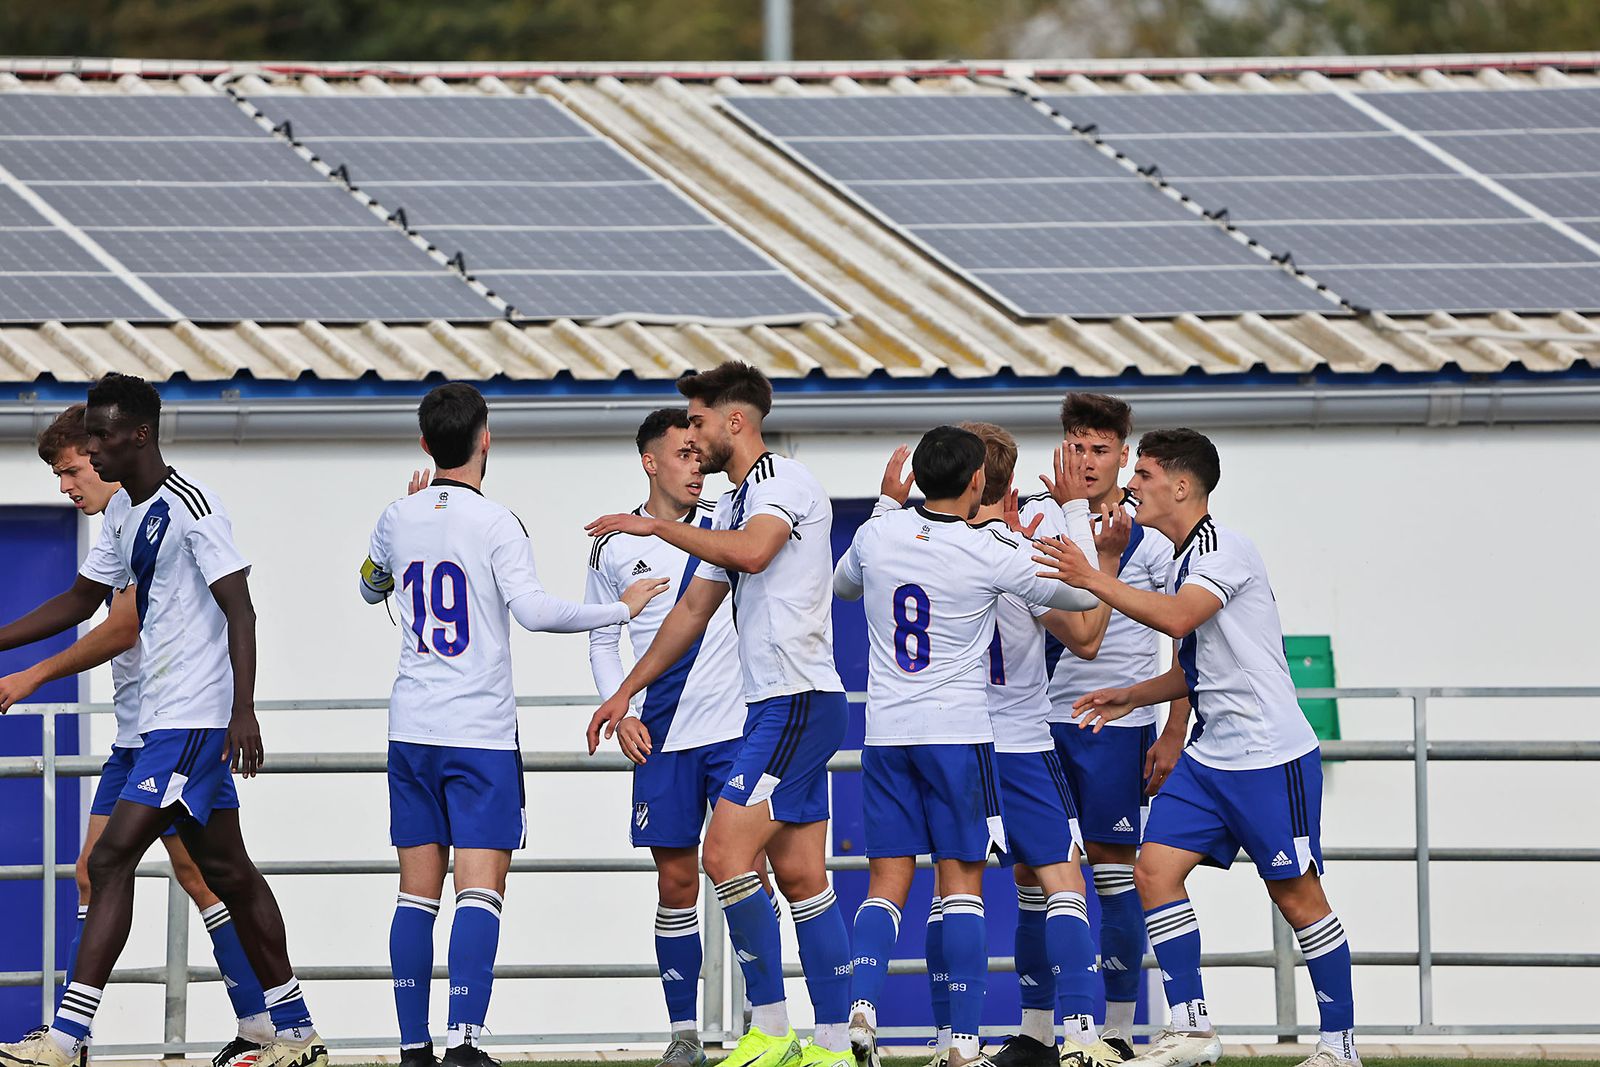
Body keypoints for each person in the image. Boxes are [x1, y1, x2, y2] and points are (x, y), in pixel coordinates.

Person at [0, 374, 323, 1067]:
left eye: (100, 439)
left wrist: (243, 710)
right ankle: (293, 1029)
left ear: (138, 434)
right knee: (228, 872)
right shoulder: (122, 516)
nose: (92, 451)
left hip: (193, 721)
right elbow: (82, 598)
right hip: (157, 725)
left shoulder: (193, 509)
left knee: (111, 858)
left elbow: (241, 608)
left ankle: (65, 1039)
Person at [360, 383, 667, 1067]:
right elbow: (533, 611)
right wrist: (620, 610)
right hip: (478, 731)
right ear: (485, 438)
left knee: (415, 892)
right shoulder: (498, 521)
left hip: (411, 727)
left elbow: (368, 584)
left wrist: (401, 527)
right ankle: (463, 1041)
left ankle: (413, 1049)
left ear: (424, 443)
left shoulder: (396, 515)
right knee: (479, 886)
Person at [1034, 429, 1357, 1067]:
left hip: (1270, 757)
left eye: (1145, 473)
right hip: (1213, 758)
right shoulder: (1183, 557)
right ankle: (1192, 1030)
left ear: (1182, 487)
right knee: (1151, 871)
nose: (1132, 484)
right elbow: (1201, 665)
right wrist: (1134, 693)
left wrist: (1091, 577)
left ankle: (1338, 1045)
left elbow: (1179, 619)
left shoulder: (1225, 549)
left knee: (1297, 897)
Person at [585, 362, 854, 1067]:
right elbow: (690, 613)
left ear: (735, 421)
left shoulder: (780, 483)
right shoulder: (734, 503)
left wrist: (656, 528)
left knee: (723, 855)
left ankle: (771, 1032)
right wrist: (624, 692)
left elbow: (756, 553)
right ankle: (834, 1044)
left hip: (795, 702)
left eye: (699, 421)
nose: (694, 436)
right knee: (800, 875)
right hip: (777, 706)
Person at [830, 425, 1103, 1067]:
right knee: (968, 886)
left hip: (887, 734)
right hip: (965, 734)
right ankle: (971, 1045)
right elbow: (1088, 600)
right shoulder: (997, 550)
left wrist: (885, 505)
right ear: (979, 480)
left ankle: (862, 1013)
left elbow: (843, 586)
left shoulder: (877, 533)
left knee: (885, 884)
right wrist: (1070, 516)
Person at [584, 408, 747, 1067]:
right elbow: (602, 636)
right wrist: (619, 710)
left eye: (699, 453)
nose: (696, 465)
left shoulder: (732, 525)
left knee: (745, 875)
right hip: (663, 732)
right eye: (683, 454)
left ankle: (767, 1024)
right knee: (676, 882)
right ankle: (685, 1032)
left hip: (737, 727)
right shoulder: (612, 544)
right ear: (651, 461)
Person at [1047, 395, 1189, 1039]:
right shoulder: (1039, 515)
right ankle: (1041, 1032)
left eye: (1100, 449)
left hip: (1118, 728)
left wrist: (1174, 727)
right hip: (1039, 721)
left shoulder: (1154, 533)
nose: (1087, 459)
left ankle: (1118, 1033)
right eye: (1076, 445)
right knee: (1038, 872)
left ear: (1123, 457)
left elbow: (1189, 639)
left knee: (1114, 872)